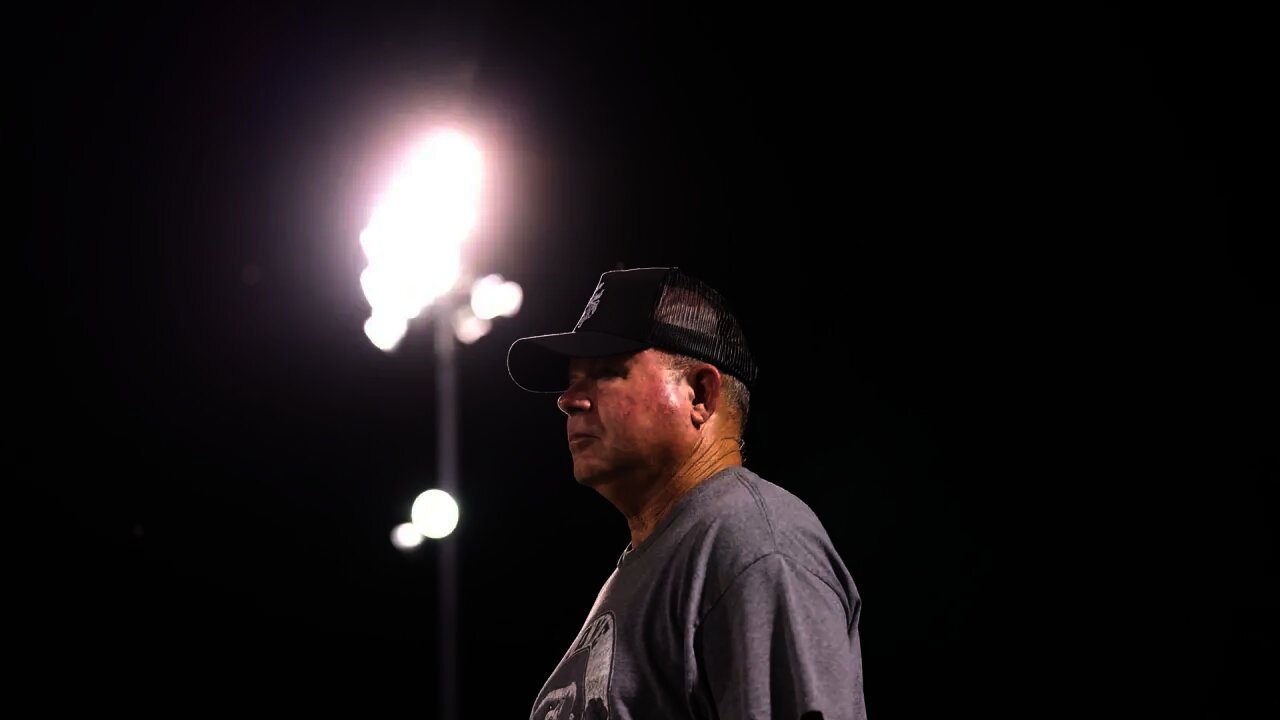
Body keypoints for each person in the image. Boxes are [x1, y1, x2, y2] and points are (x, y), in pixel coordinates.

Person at [508, 266, 867, 720]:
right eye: (572, 380)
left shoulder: (750, 539)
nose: (569, 399)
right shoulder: (664, 557)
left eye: (606, 372)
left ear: (700, 394)